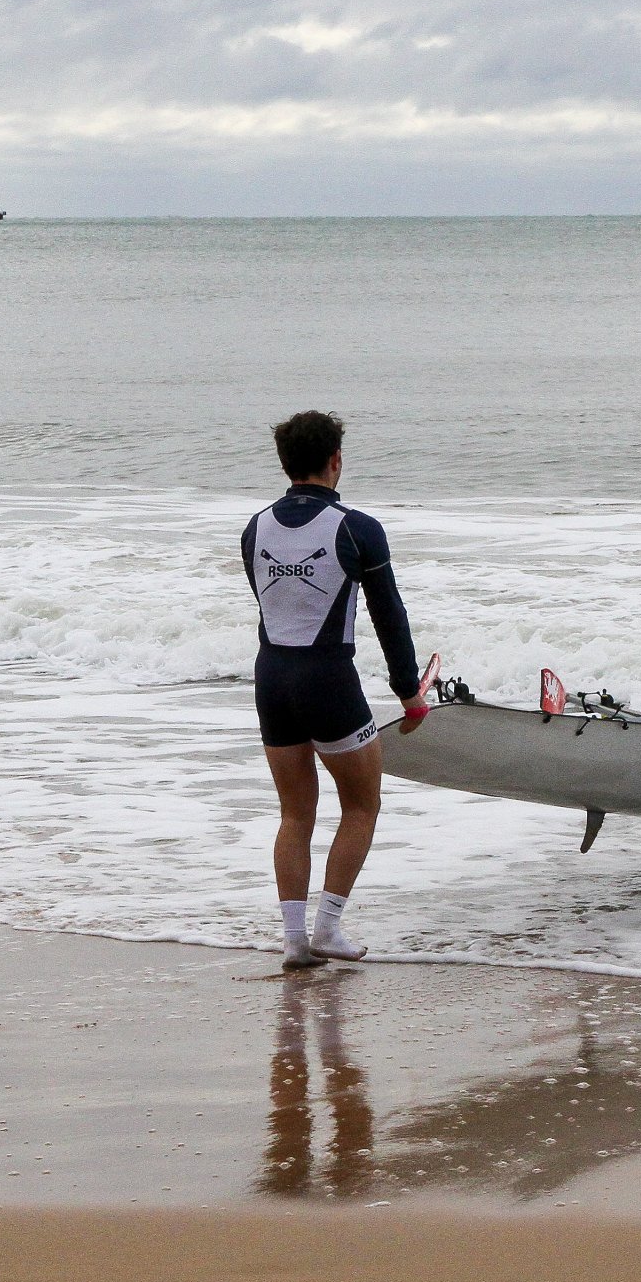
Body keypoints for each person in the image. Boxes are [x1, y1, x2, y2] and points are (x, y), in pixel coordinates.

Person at [243, 410, 429, 971]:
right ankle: (328, 927)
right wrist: (409, 692)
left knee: (295, 813)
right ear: (336, 461)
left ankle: (294, 939)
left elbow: (275, 606)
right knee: (362, 803)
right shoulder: (357, 528)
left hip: (271, 681)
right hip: (328, 681)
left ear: (284, 463)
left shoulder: (254, 528)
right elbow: (388, 615)